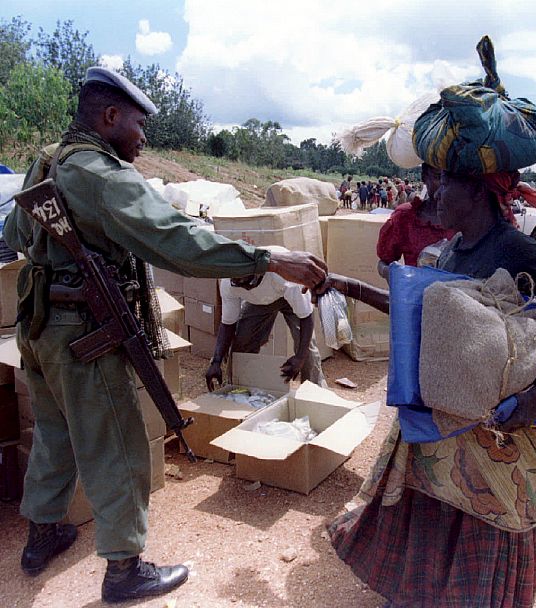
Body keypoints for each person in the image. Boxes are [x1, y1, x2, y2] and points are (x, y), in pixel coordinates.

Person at [3, 67, 326, 603]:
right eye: (137, 124)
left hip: (37, 330)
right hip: (86, 336)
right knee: (120, 445)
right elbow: (176, 241)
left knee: (56, 437)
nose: (144, 138)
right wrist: (268, 257)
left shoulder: (48, 161)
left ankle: (42, 537)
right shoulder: (102, 174)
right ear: (110, 118)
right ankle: (125, 571)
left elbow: (15, 235)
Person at [323, 169, 536, 606]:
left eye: (442, 184)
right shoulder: (455, 247)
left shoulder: (514, 247)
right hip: (443, 423)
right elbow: (416, 310)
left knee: (487, 523)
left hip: (497, 430)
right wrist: (345, 286)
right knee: (437, 514)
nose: (430, 194)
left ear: (477, 190)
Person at [205, 246, 327, 391]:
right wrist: (216, 361)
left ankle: (315, 391)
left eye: (249, 284)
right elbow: (228, 324)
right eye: (241, 285)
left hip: (286, 294)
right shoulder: (228, 283)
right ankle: (238, 387)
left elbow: (306, 317)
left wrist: (300, 358)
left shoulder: (286, 276)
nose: (247, 288)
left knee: (306, 347)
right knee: (243, 343)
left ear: (259, 274)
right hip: (260, 301)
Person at [376, 163, 454, 277]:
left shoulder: (470, 218)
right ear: (424, 177)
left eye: (453, 178)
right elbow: (384, 262)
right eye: (439, 177)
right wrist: (392, 275)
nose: (446, 185)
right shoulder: (405, 217)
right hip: (416, 293)